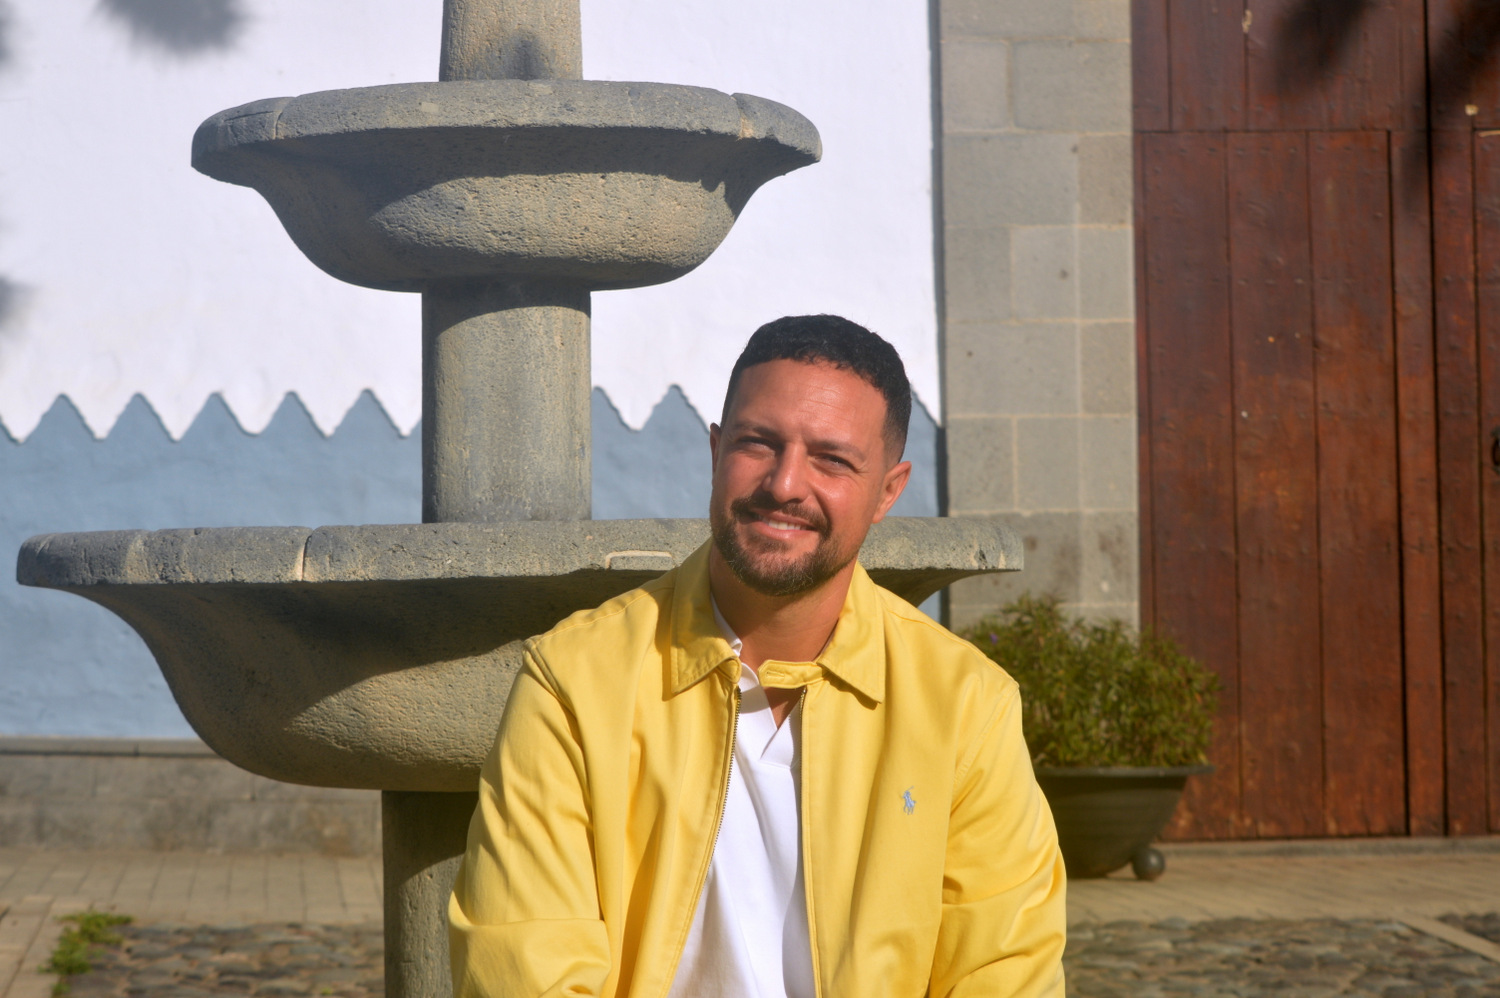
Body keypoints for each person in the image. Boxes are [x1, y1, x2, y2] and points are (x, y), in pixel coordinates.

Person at [449, 314, 1066, 997]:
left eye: (832, 459)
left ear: (888, 491)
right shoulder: (576, 680)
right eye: (758, 443)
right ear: (716, 451)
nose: (785, 483)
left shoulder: (964, 705)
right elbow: (524, 964)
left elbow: (1004, 972)